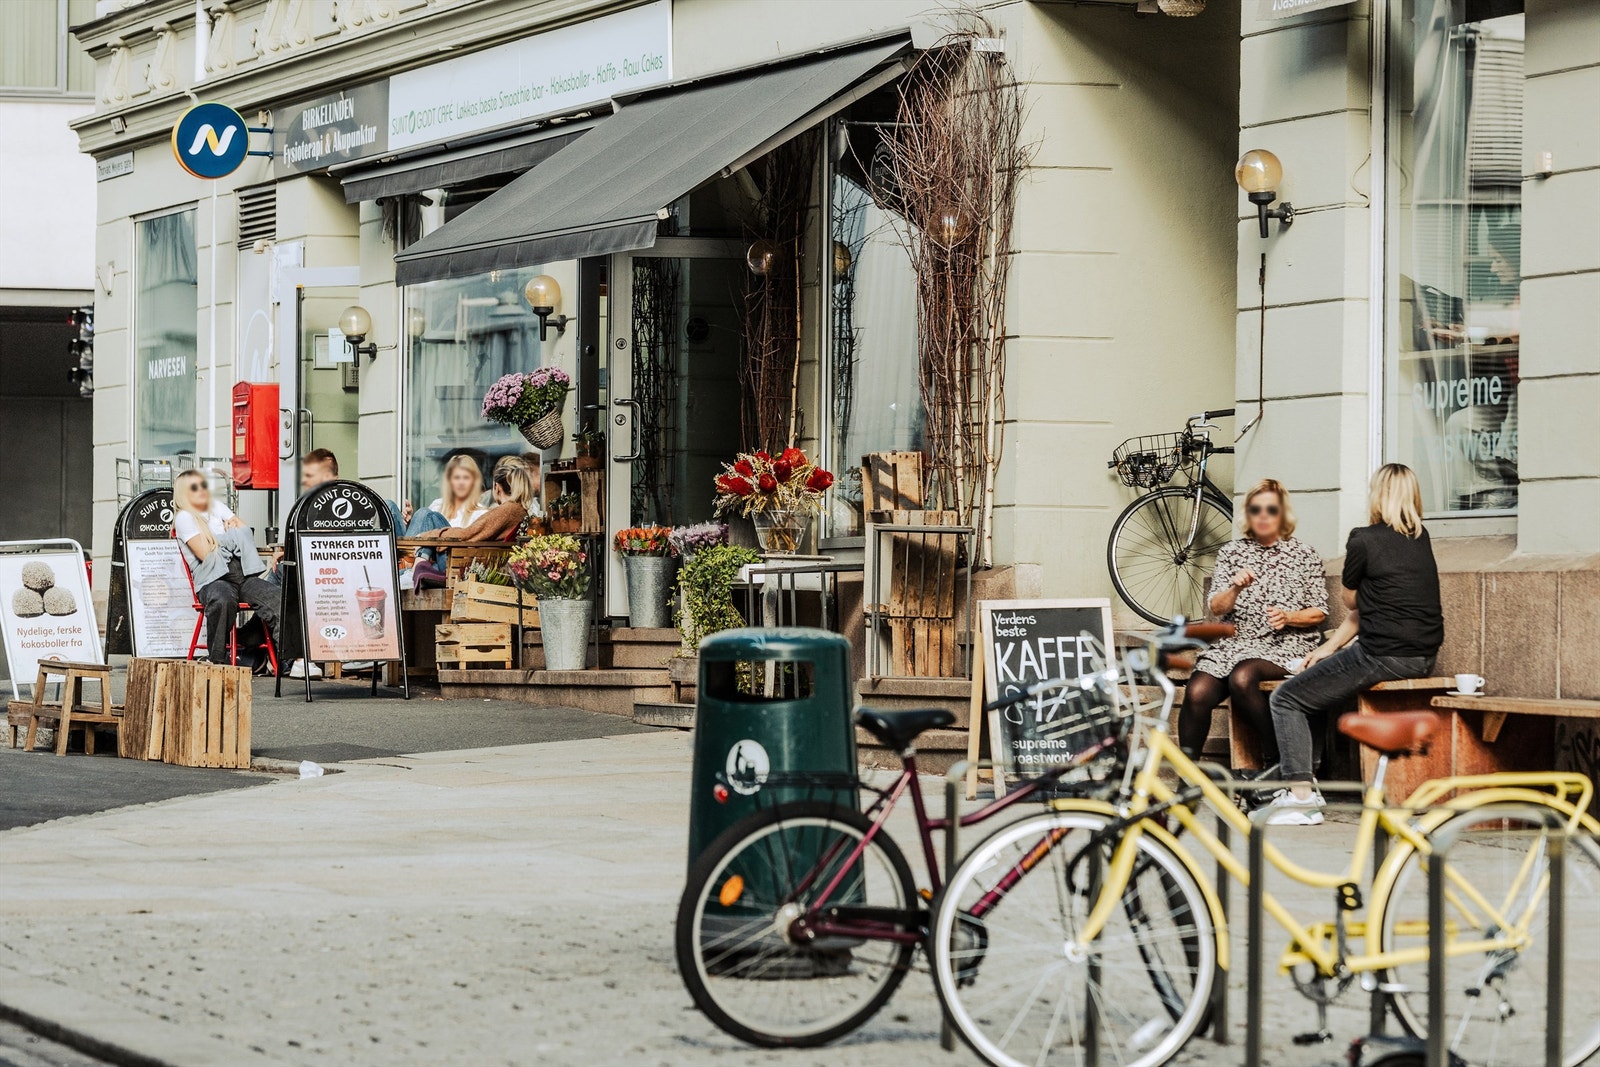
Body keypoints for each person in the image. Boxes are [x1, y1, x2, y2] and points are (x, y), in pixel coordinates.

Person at [1263, 464, 1444, 826]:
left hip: (1383, 654)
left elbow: (1351, 602)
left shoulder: (1363, 539)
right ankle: (1307, 781)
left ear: (1378, 495)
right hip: (1422, 656)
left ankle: (1301, 799)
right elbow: (1370, 608)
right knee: (1314, 688)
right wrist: (1328, 650)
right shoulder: (1420, 539)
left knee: (1286, 698)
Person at [1177, 479, 1327, 768]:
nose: (1263, 515)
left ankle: (1279, 760)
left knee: (1242, 678)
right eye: (1255, 509)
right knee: (1197, 692)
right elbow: (1216, 607)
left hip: (1286, 645)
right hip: (1237, 643)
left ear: (1282, 513)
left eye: (1271, 509)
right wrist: (1234, 589)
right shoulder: (1231, 553)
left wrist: (1289, 617)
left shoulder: (1304, 555)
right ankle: (1187, 779)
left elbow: (1319, 611)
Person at [172, 469, 281, 671]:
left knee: (276, 598)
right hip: (212, 578)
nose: (202, 490)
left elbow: (246, 534)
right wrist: (232, 536)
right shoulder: (185, 517)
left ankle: (285, 657)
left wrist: (223, 539)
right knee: (222, 600)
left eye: (204, 484)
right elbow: (207, 554)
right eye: (194, 487)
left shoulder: (216, 506)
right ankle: (217, 661)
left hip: (240, 574)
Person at [407, 462, 540, 589]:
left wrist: (426, 536)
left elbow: (468, 534)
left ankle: (415, 566)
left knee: (430, 516)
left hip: (462, 564)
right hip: (470, 561)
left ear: (497, 487)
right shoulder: (517, 510)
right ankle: (416, 565)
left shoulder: (507, 511)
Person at [404, 454, 490, 535]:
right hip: (424, 549)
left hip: (449, 550)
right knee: (391, 506)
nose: (461, 482)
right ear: (449, 481)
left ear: (473, 482)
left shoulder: (480, 514)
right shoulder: (437, 505)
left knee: (423, 513)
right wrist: (411, 524)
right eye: (456, 477)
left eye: (466, 478)